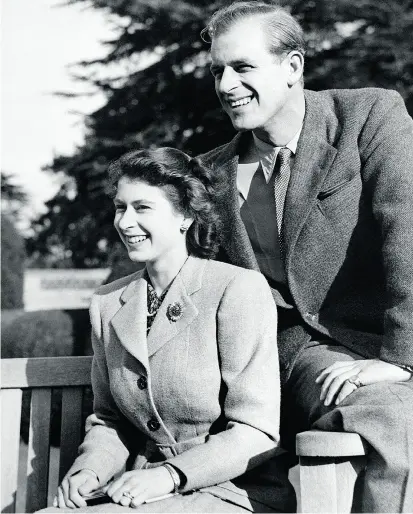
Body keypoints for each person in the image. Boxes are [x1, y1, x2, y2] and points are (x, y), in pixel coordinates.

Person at [198, 1, 413, 513]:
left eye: (243, 67)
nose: (226, 84)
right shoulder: (210, 175)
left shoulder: (366, 116)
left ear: (293, 66)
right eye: (217, 71)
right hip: (309, 358)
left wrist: (399, 358)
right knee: (396, 419)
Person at [46, 147, 295, 512]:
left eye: (142, 208)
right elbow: (110, 420)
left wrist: (170, 475)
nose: (125, 222)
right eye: (120, 207)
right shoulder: (107, 303)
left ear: (184, 215)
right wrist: (90, 472)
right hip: (137, 492)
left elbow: (255, 431)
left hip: (234, 491)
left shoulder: (235, 289)